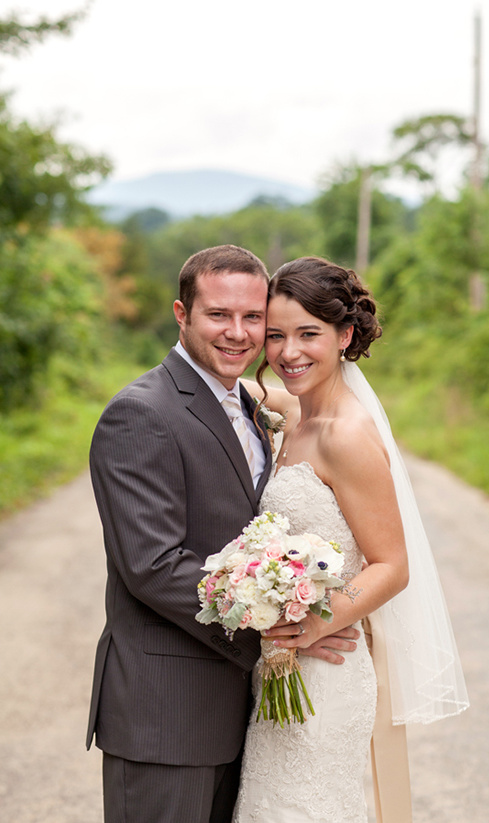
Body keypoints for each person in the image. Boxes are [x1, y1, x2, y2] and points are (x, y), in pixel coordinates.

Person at [86, 245, 360, 823]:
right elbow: (154, 565)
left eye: (253, 317)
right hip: (169, 715)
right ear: (182, 314)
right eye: (218, 315)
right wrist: (280, 627)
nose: (238, 333)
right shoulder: (140, 413)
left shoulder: (254, 404)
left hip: (250, 715)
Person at [233, 256, 469, 823]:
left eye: (308, 334)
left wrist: (311, 625)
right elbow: (219, 390)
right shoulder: (293, 414)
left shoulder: (346, 435)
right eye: (275, 336)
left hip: (325, 668)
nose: (289, 353)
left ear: (344, 336)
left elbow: (392, 565)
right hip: (283, 666)